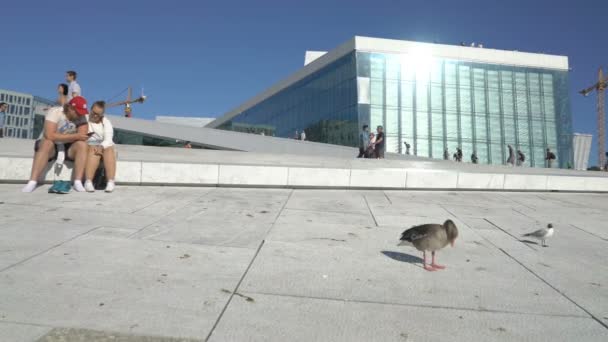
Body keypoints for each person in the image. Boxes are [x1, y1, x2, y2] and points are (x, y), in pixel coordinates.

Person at [22, 96, 90, 193]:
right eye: (78, 112)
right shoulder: (55, 112)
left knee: (82, 145)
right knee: (47, 143)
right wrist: (76, 136)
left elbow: (82, 135)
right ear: (70, 108)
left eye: (81, 112)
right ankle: (32, 181)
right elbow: (49, 135)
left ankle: (78, 181)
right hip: (51, 145)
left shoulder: (82, 117)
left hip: (69, 147)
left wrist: (77, 136)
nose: (80, 115)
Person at [84, 101, 116, 193]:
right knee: (94, 149)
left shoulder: (106, 122)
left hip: (102, 145)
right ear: (90, 110)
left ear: (102, 114)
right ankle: (88, 181)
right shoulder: (85, 119)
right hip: (89, 145)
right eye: (93, 112)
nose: (94, 115)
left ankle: (110, 181)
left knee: (108, 149)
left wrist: (101, 146)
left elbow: (108, 139)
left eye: (98, 114)